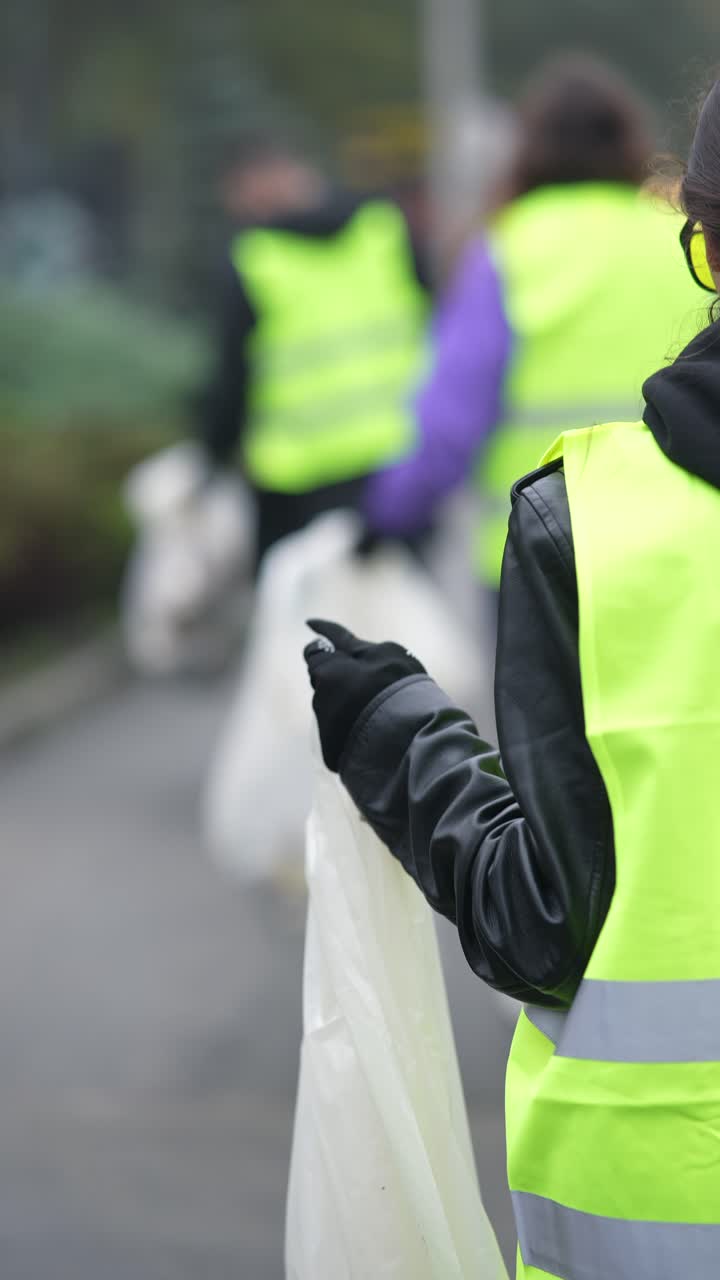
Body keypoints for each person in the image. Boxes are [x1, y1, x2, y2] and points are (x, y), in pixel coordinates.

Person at [302, 75, 720, 1280]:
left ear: (709, 230)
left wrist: (393, 718)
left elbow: (542, 915)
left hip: (602, 580)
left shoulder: (517, 270)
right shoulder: (642, 243)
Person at [363, 54, 704, 591]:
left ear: (527, 149)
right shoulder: (678, 238)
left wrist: (388, 514)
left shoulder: (506, 251)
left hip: (538, 556)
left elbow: (450, 420)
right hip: (678, 545)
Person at [198, 138, 429, 569]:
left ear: (248, 188)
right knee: (402, 622)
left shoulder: (254, 257)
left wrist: (212, 455)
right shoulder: (383, 228)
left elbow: (233, 378)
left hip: (297, 486)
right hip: (396, 467)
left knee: (310, 629)